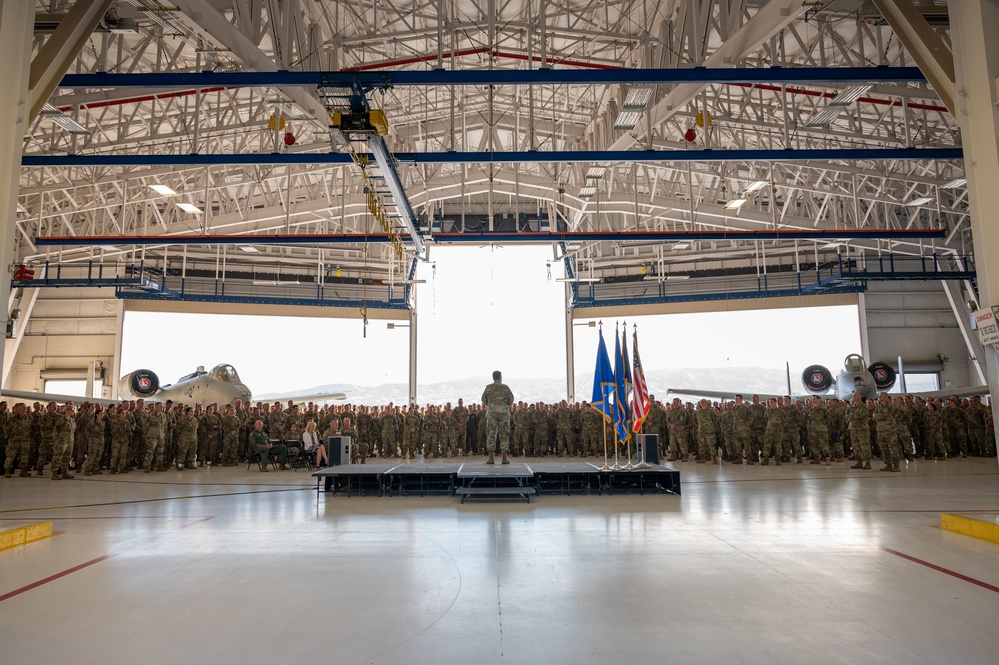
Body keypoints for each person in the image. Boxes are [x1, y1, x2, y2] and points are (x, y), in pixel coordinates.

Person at [481, 370, 514, 464]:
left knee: (491, 434)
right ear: (500, 377)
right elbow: (511, 400)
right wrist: (503, 405)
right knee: (504, 435)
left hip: (492, 413)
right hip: (503, 414)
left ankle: (491, 458)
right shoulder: (505, 388)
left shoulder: (488, 388)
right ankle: (504, 458)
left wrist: (492, 405)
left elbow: (483, 400)